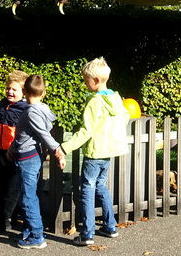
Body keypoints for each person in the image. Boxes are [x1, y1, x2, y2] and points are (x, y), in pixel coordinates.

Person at [55, 57, 129, 246]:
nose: (84, 83)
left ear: (95, 80)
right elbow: (124, 118)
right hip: (108, 152)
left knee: (87, 189)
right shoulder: (115, 98)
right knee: (101, 186)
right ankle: (110, 225)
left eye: (86, 79)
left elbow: (86, 130)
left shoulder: (95, 102)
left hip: (95, 152)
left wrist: (65, 147)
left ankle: (87, 233)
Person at [9, 74, 60, 250]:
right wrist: (12, 147)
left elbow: (44, 134)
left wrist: (57, 150)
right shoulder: (43, 108)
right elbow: (44, 129)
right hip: (32, 155)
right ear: (44, 92)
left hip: (27, 158)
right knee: (31, 194)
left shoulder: (31, 112)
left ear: (23, 91)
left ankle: (36, 235)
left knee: (28, 197)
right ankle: (31, 229)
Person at [0, 69, 27, 235]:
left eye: (14, 89)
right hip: (0, 151)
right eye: (8, 88)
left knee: (12, 188)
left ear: (23, 92)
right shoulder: (3, 104)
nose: (10, 92)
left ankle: (5, 220)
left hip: (14, 153)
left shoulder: (24, 108)